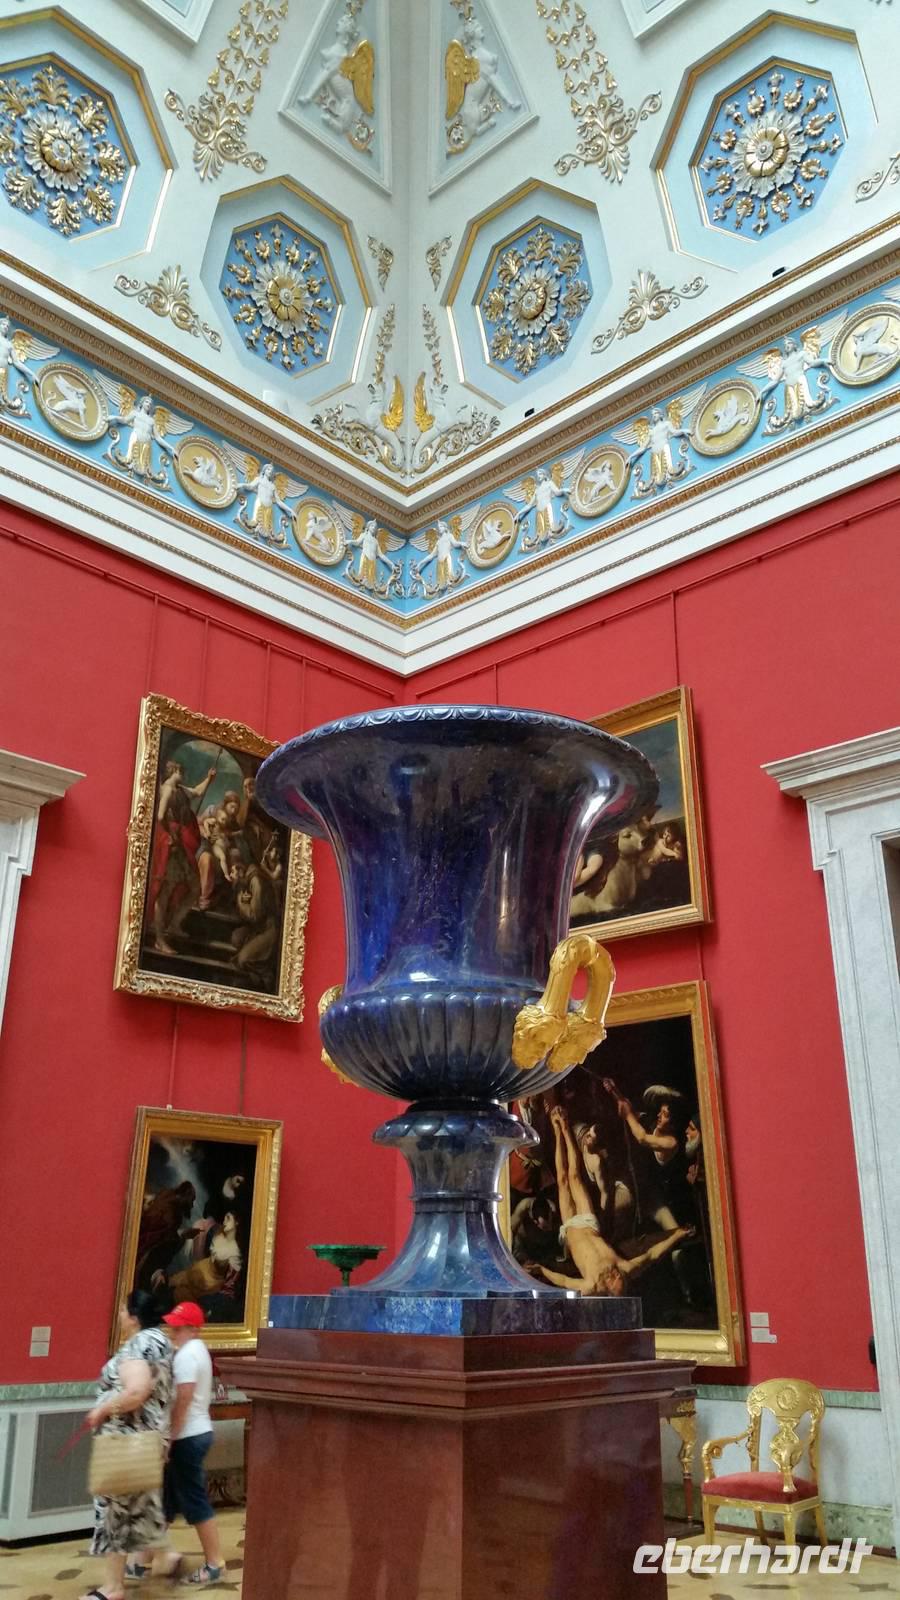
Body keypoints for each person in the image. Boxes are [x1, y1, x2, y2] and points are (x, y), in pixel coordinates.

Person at [535, 1105, 693, 1296]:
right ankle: (565, 1127)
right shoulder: (626, 1268)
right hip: (589, 1222)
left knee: (563, 1180)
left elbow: (564, 1281)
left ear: (608, 1290)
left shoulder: (591, 1285)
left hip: (570, 1229)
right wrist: (677, 1235)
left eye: (613, 1279)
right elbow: (652, 1254)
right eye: (619, 1276)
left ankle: (556, 1130)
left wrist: (541, 1270)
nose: (615, 1274)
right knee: (575, 1176)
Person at [81, 1290, 174, 1600]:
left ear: (134, 1317)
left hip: (126, 1440)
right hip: (148, 1438)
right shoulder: (161, 1341)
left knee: (115, 1512)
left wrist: (103, 1410)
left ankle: (113, 1587)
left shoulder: (138, 1345)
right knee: (138, 1507)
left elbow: (136, 1391)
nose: (120, 1315)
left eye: (123, 1310)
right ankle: (163, 1558)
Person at [138, 1301, 225, 1587]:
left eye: (178, 1327)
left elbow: (183, 1400)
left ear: (193, 1328)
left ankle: (214, 1563)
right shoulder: (196, 1351)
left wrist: (170, 1438)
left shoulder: (188, 1355)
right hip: (193, 1432)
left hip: (187, 1436)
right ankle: (142, 1560)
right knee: (166, 1499)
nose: (172, 1331)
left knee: (194, 1501)